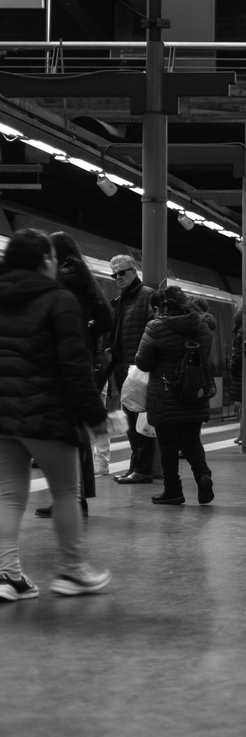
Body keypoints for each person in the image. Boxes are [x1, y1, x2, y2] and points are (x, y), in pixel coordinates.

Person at [0, 229, 112, 599]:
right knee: (66, 492)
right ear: (45, 261)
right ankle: (72, 571)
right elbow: (75, 369)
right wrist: (96, 417)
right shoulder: (60, 300)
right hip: (47, 413)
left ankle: (7, 575)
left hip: (3, 416)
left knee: (8, 496)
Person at [34, 232, 116, 520]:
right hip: (79, 360)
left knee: (56, 434)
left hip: (53, 361)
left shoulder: (54, 278)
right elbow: (106, 319)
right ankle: (77, 499)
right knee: (74, 433)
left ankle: (66, 500)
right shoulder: (88, 282)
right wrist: (85, 336)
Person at [134, 284, 215, 506]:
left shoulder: (156, 327)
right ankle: (202, 474)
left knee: (168, 443)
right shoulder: (202, 326)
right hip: (194, 393)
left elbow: (143, 362)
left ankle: (173, 490)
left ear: (161, 306)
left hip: (165, 393)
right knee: (191, 439)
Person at [105, 254, 157, 485]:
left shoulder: (146, 295)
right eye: (114, 275)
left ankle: (143, 469)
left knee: (140, 422)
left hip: (139, 369)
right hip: (124, 368)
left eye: (122, 273)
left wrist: (143, 364)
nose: (118, 278)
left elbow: (153, 332)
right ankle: (135, 467)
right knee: (131, 423)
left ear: (134, 271)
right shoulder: (122, 300)